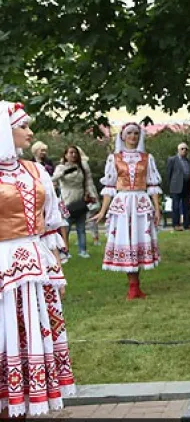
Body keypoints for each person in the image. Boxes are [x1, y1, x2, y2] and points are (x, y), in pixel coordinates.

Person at [0, 101, 75, 417]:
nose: (30, 132)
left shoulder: (35, 170)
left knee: (32, 333)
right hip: (4, 263)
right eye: (23, 126)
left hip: (36, 264)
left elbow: (51, 222)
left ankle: (23, 406)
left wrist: (56, 270)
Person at [90, 122, 163, 300]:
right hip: (122, 203)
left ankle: (136, 286)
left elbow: (153, 184)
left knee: (138, 240)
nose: (133, 136)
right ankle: (132, 286)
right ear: (123, 136)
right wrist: (102, 210)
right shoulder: (114, 158)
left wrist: (157, 208)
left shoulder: (147, 158)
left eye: (136, 133)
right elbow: (109, 186)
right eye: (129, 133)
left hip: (140, 202)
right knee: (127, 241)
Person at [52, 145, 99, 258]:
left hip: (80, 199)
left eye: (75, 153)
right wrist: (63, 172)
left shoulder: (82, 167)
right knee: (66, 227)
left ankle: (82, 251)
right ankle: (65, 251)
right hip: (66, 200)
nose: (73, 155)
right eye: (70, 153)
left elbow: (88, 181)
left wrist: (89, 194)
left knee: (81, 227)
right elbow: (53, 179)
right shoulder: (60, 168)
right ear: (65, 155)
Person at [166, 142, 190, 231]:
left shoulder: (188, 160)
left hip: (186, 186)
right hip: (176, 186)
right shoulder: (172, 160)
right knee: (176, 206)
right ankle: (176, 224)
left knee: (187, 206)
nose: (184, 151)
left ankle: (187, 224)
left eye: (186, 149)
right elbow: (168, 174)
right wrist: (170, 186)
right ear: (178, 150)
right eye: (182, 149)